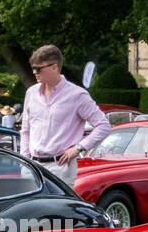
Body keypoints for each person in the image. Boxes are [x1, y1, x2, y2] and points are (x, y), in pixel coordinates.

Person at [20, 43, 110, 185]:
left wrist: (78, 148)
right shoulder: (31, 93)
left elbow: (103, 125)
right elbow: (25, 131)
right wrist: (24, 160)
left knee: (57, 208)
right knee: (29, 208)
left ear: (54, 67)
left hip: (60, 168)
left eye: (38, 68)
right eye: (33, 68)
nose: (34, 72)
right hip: (31, 166)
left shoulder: (77, 95)